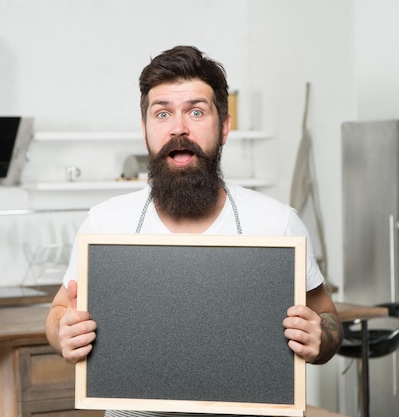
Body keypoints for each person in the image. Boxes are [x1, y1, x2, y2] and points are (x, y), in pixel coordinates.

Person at [45, 45, 343, 417]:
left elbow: (328, 317)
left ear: (224, 127)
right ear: (145, 129)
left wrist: (320, 337)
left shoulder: (277, 223)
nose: (178, 127)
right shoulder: (106, 223)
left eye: (196, 112)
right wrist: (62, 333)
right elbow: (59, 309)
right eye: (163, 113)